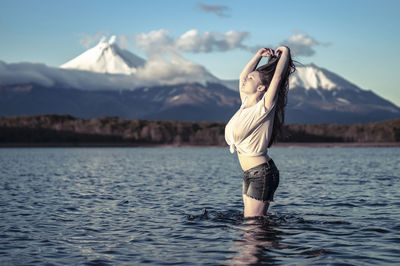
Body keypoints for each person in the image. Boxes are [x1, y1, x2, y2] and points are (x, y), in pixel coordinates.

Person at [225, 46, 296, 218]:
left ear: (261, 88)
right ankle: (277, 244)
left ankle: (289, 245)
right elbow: (242, 76)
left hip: (262, 173)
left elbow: (277, 77)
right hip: (250, 173)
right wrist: (257, 55)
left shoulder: (264, 107)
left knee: (253, 226)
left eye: (251, 79)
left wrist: (285, 52)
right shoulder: (245, 104)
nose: (245, 80)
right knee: (251, 228)